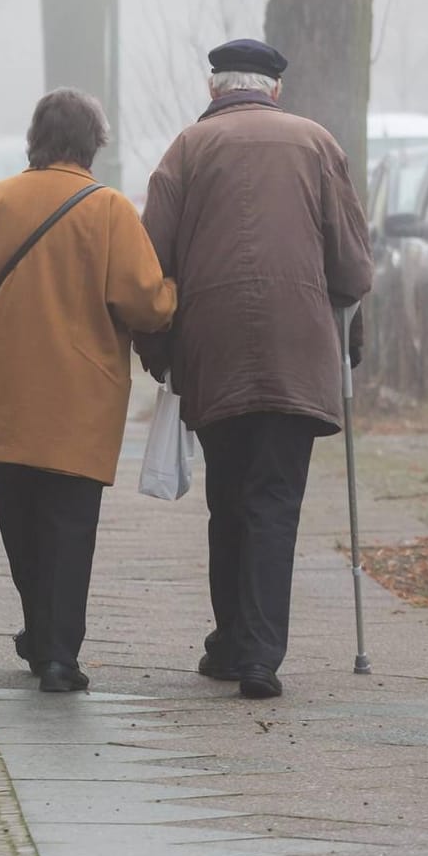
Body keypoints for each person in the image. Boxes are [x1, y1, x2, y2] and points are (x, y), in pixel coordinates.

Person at [135, 39, 372, 700]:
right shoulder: (317, 144)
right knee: (274, 500)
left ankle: (234, 638)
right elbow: (353, 267)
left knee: (227, 498)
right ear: (273, 90)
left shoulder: (185, 150)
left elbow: (148, 260)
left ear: (215, 90)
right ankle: (258, 654)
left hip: (213, 353)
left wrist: (159, 354)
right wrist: (350, 341)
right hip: (298, 352)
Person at [0, 88, 179, 693]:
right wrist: (172, 293)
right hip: (80, 403)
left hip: (4, 397)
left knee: (21, 524)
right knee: (70, 528)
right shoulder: (110, 210)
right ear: (94, 144)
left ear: (36, 139)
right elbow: (143, 303)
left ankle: (40, 634)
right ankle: (58, 653)